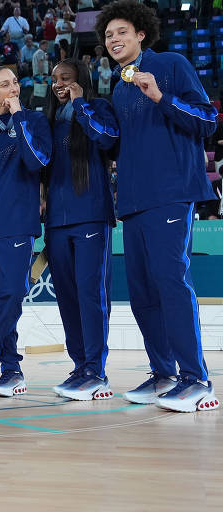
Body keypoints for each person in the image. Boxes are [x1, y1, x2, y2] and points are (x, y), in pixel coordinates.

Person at [94, 0, 219, 412]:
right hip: (132, 200)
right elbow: (117, 145)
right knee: (143, 292)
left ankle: (196, 378)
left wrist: (161, 96)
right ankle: (164, 372)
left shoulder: (171, 64)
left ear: (141, 34)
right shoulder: (117, 85)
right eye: (108, 35)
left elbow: (205, 121)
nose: (114, 40)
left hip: (171, 192)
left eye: (122, 32)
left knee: (171, 280)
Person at [0, 66, 52, 398]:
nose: (13, 89)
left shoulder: (34, 121)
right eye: (4, 85)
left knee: (13, 294)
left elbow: (37, 163)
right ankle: (12, 368)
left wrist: (20, 117)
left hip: (17, 224)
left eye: (15, 83)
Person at [44, 59, 118, 400]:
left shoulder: (97, 107)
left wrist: (80, 102)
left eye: (67, 79)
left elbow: (106, 140)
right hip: (57, 222)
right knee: (69, 298)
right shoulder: (47, 119)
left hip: (90, 215)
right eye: (55, 79)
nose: (59, 84)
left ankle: (96, 371)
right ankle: (80, 366)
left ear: (81, 81)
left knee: (91, 296)